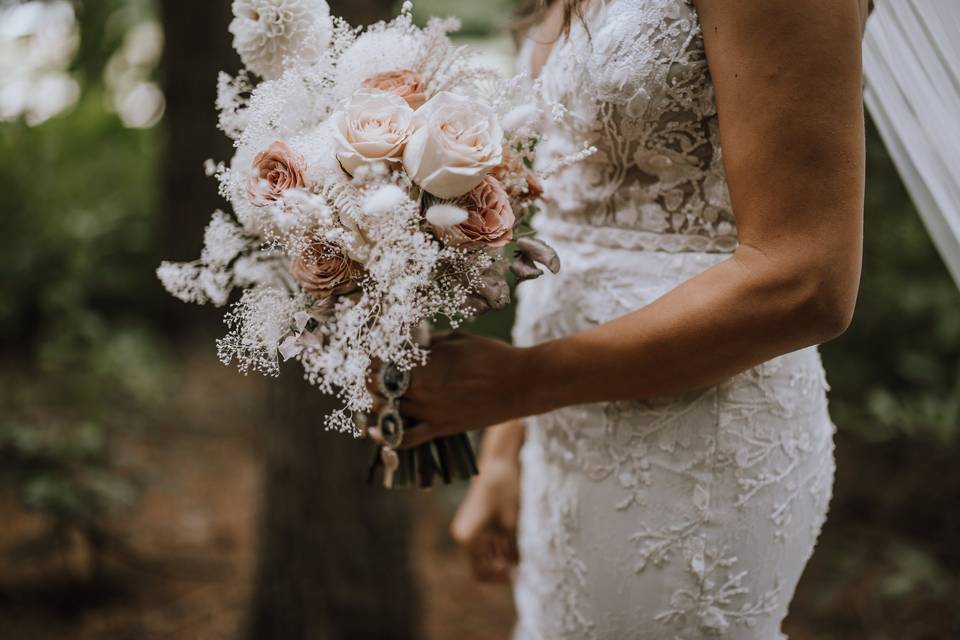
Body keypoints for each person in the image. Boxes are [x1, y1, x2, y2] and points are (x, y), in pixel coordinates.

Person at [369, 0, 870, 637]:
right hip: (561, 430)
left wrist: (518, 385)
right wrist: (504, 450)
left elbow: (807, 279)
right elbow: (567, 231)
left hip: (696, 443)